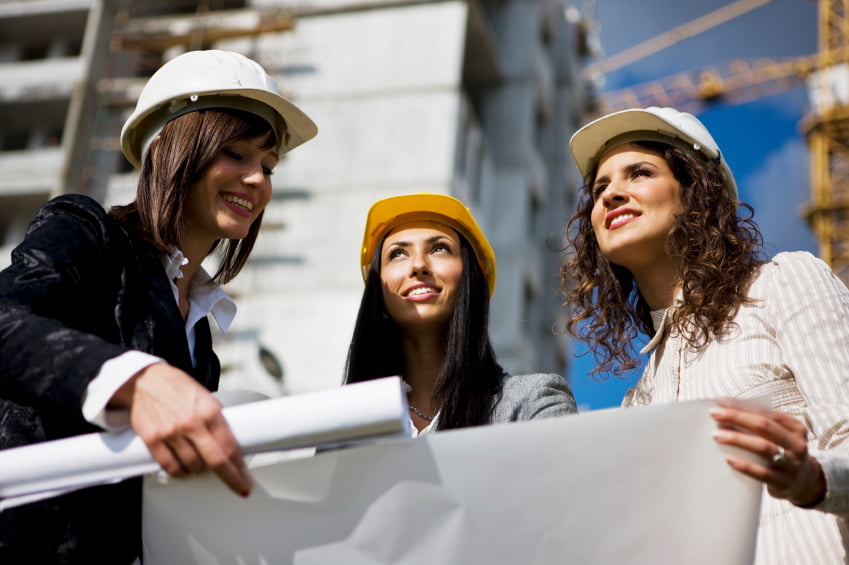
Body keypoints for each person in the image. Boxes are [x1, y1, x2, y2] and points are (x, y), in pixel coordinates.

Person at [0, 49, 317, 563]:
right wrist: (136, 380)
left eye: (268, 165)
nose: (259, 179)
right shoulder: (88, 234)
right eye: (236, 153)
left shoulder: (201, 340)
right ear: (171, 150)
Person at [562, 105, 849, 563]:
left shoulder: (783, 282)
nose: (611, 194)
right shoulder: (637, 400)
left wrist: (815, 478)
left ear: (696, 194)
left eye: (638, 173)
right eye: (600, 188)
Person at [345, 192, 576, 435]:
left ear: (471, 279)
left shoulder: (533, 404)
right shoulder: (344, 425)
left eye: (439, 249)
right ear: (377, 288)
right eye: (398, 254)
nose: (418, 265)